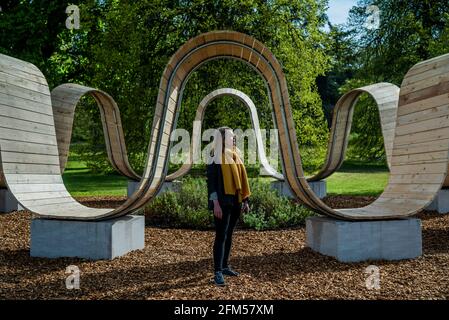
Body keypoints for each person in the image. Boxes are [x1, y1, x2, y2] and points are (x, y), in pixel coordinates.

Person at [206, 126, 251, 286]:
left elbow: (242, 180)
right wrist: (215, 203)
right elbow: (211, 184)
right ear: (222, 139)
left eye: (234, 137)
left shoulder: (236, 156)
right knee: (220, 236)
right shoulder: (214, 156)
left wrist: (245, 201)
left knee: (229, 235)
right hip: (222, 202)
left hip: (236, 202)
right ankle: (217, 271)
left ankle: (225, 266)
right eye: (231, 136)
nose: (234, 139)